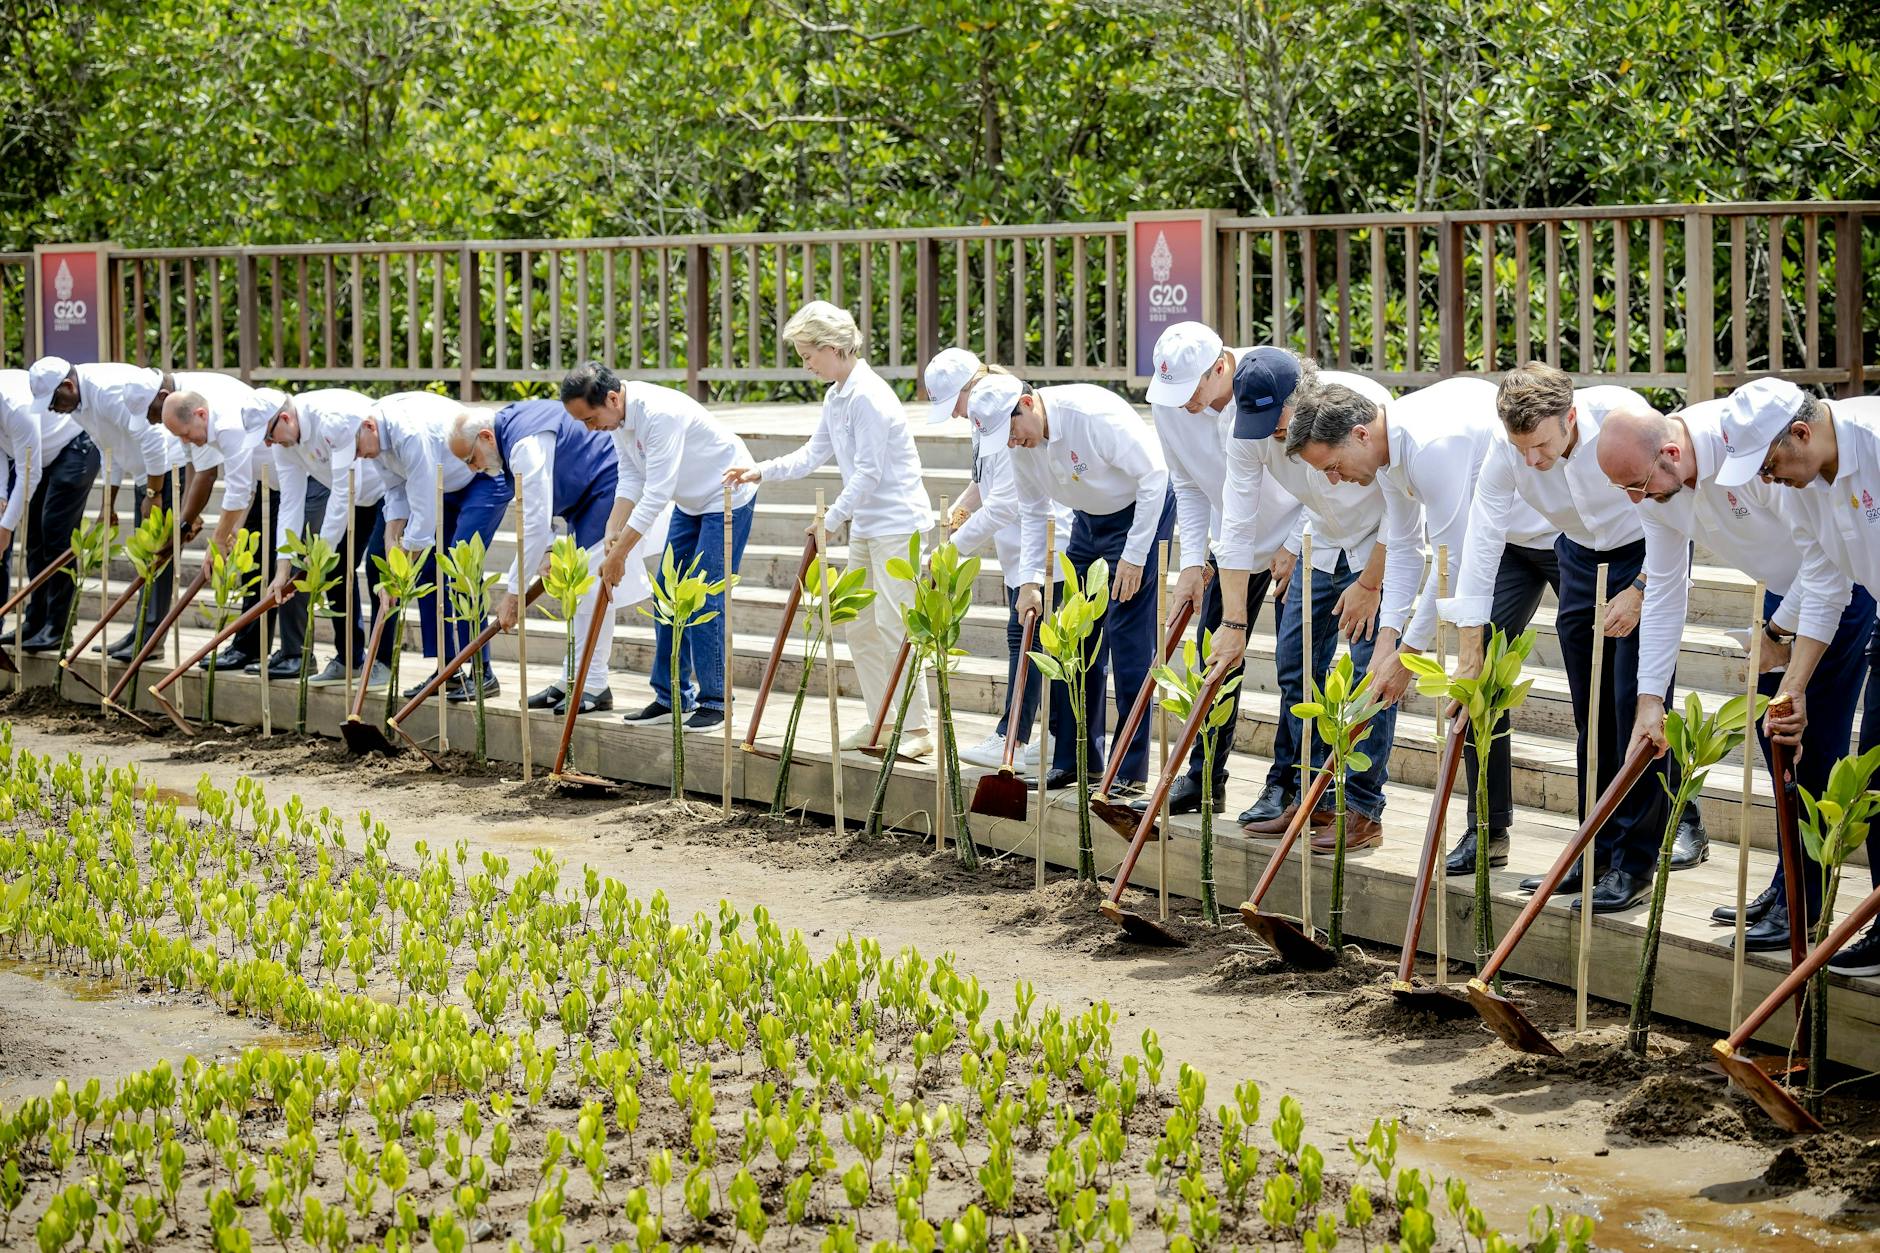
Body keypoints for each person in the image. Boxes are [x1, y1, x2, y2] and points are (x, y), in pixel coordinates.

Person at [1282, 377, 1564, 872]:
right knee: (1478, 681)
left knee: (1610, 678)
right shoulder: (1387, 452)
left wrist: (1407, 656)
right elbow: (1406, 547)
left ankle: (1673, 818)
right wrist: (1386, 641)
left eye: (1332, 466)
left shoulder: (1430, 446)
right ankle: (1489, 830)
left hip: (1557, 531)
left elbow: (1449, 563)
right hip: (1500, 543)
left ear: (1360, 434)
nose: (1334, 480)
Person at [1598, 389, 1858, 922]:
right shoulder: (1657, 490)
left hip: (1840, 589)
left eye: (1636, 486)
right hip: (1784, 597)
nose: (1634, 500)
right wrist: (1650, 701)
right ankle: (1789, 884)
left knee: (1811, 747)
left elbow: (1825, 559)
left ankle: (1805, 905)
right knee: (1776, 741)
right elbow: (1665, 586)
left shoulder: (1755, 446)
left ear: (1671, 454)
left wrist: (1778, 632)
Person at [1443, 363, 1698, 903]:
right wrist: (1470, 648)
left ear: (1571, 417)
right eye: (1522, 448)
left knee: (1632, 704)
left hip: (1646, 552)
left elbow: (1678, 512)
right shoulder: (1507, 450)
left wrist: (1642, 588)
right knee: (1591, 712)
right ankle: (1593, 849)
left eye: (1541, 445)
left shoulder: (1623, 420)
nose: (1532, 461)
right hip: (1579, 556)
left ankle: (1635, 864)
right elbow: (1482, 538)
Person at [1697, 377, 1880, 972]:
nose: (1768, 480)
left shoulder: (1875, 440)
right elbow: (1826, 583)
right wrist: (1793, 686)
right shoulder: (1803, 487)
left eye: (1769, 465)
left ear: (1801, 433)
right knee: (1876, 771)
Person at [1208, 347, 1398, 850]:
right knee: (1295, 663)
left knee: (1368, 675)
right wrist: (1233, 623)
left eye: (1278, 419)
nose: (1272, 432)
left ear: (1304, 396)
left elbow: (1405, 511)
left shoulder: (1361, 406)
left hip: (1379, 546)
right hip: (1321, 541)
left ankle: (1362, 808)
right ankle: (1308, 794)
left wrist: (1370, 584)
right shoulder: (1247, 431)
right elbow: (1237, 522)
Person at [728, 301, 934, 757]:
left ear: (832, 346)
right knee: (860, 625)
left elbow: (869, 473)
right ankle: (882, 722)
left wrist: (832, 518)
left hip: (898, 523)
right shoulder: (836, 395)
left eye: (808, 355)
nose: (806, 365)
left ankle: (917, 728)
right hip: (867, 524)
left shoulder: (869, 396)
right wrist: (760, 470)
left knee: (895, 623)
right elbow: (812, 453)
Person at [963, 372, 1175, 792]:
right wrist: (1029, 581)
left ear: (1026, 405)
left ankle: (1128, 771)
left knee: (1127, 638)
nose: (1012, 443)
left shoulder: (1091, 415)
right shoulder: (1021, 444)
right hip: (1087, 521)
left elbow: (1154, 477)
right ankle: (1077, 760)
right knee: (1071, 637)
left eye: (1011, 433)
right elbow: (1033, 510)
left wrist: (1135, 555)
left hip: (1140, 514)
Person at [1132, 323, 1300, 817]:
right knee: (1216, 655)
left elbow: (1321, 470)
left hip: (1298, 533)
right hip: (1233, 541)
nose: (1183, 402)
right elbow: (1188, 484)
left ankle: (1285, 783)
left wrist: (1294, 542)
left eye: (1191, 390)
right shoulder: (1170, 404)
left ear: (1221, 367)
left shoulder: (1269, 380)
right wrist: (1190, 561)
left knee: (1294, 662)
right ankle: (1205, 777)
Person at [562, 362, 757, 731]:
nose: (590, 428)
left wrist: (620, 555)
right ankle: (671, 697)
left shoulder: (658, 413)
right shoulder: (617, 420)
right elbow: (630, 476)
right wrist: (612, 528)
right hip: (690, 501)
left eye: (590, 419)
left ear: (612, 399)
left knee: (705, 594)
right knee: (667, 592)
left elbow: (656, 493)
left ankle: (716, 701)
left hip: (727, 495)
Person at [927, 348, 1067, 772]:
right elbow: (983, 482)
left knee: (1033, 642)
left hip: (1042, 547)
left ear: (970, 388)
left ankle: (1015, 738)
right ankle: (1045, 736)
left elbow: (1005, 504)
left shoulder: (1003, 418)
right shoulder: (983, 420)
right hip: (1020, 548)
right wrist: (959, 514)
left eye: (954, 404)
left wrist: (952, 549)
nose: (955, 414)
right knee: (1034, 642)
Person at [450, 400, 620, 711]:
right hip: (583, 493)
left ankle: (594, 683)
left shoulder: (523, 444)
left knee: (591, 588)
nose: (472, 469)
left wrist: (514, 593)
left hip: (605, 480)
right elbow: (535, 504)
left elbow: (535, 521)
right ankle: (572, 678)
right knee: (579, 589)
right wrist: (548, 550)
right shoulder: (507, 438)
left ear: (486, 437)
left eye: (470, 459)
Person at [355, 391, 513, 699]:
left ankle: (482, 671)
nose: (359, 456)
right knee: (429, 569)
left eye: (358, 449)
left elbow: (423, 518)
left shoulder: (409, 434)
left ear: (368, 427)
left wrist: (399, 576)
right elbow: (396, 495)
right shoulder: (375, 444)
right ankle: (447, 668)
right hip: (446, 484)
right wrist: (392, 553)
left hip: (482, 473)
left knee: (460, 565)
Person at [33, 356, 186, 656]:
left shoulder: (108, 391)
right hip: (144, 475)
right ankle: (140, 633)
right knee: (146, 558)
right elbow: (108, 449)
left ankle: (150, 640)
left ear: (68, 386)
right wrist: (108, 502)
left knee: (158, 555)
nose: (53, 409)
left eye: (53, 401)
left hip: (165, 471)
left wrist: (154, 493)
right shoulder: (77, 406)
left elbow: (154, 436)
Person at [249, 388, 392, 688]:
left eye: (268, 436)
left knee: (379, 568)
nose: (268, 444)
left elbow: (343, 490)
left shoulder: (331, 420)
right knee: (335, 569)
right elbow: (290, 502)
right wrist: (283, 568)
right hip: (355, 498)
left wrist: (320, 552)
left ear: (284, 418)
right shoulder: (284, 445)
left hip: (386, 490)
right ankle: (350, 658)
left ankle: (383, 662)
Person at [0, 369, 100, 651]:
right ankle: (36, 620)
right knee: (34, 536)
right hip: (42, 455)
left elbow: (28, 473)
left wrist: (5, 528)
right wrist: (1, 495)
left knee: (55, 534)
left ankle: (58, 627)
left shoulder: (16, 407)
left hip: (75, 447)